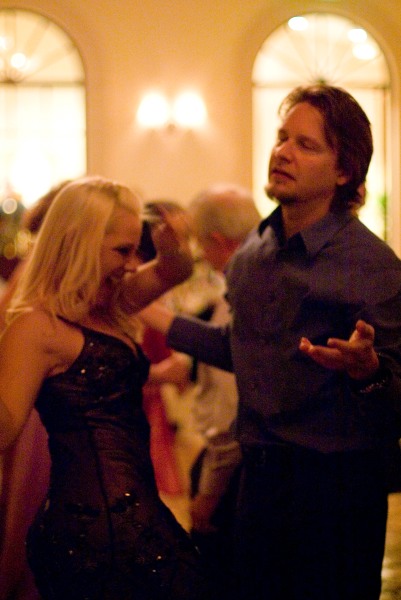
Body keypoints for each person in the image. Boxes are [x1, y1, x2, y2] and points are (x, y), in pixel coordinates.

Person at [140, 85, 401, 600]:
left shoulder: (374, 267)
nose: (283, 152)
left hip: (336, 492)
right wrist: (146, 309)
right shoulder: (254, 252)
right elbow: (243, 350)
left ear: (344, 171)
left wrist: (368, 371)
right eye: (282, 138)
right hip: (258, 482)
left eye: (306, 145)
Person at [0, 175, 212, 600]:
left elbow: (174, 270)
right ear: (79, 244)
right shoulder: (37, 325)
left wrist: (173, 245)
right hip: (92, 533)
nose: (133, 264)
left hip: (134, 516)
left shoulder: (111, 302)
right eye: (122, 250)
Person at [184, 183, 260, 600]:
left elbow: (231, 414)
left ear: (217, 241)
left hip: (237, 474)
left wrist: (208, 495)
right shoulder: (262, 284)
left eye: (199, 243)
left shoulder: (239, 297)